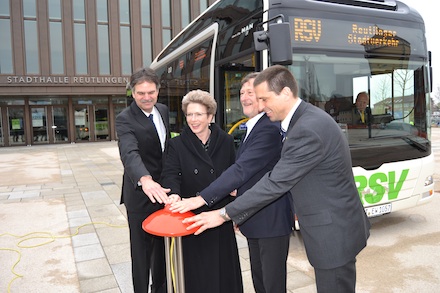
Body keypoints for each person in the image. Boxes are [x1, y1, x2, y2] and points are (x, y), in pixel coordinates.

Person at [182, 65, 371, 293]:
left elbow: (276, 182)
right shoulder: (303, 120)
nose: (261, 105)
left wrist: (223, 214)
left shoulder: (307, 129)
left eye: (264, 99)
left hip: (333, 234)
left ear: (285, 93)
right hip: (333, 227)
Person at [170, 73, 293, 293]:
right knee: (261, 282)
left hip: (269, 219)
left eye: (251, 93)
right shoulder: (252, 127)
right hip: (254, 217)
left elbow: (240, 169)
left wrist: (200, 199)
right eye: (242, 92)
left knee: (271, 285)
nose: (245, 98)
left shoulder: (267, 128)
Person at [161, 89, 243, 293]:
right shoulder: (176, 144)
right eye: (189, 114)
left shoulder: (225, 140)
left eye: (198, 114)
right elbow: (171, 173)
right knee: (198, 273)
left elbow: (234, 172)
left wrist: (236, 205)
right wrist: (174, 194)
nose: (193, 119)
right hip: (193, 216)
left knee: (222, 270)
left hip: (218, 215)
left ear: (210, 117)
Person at [116, 67, 170, 293]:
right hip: (140, 195)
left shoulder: (163, 110)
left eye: (151, 92)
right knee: (141, 253)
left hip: (164, 193)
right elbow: (130, 153)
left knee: (162, 250)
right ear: (132, 93)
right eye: (141, 93)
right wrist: (145, 179)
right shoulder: (125, 119)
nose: (146, 97)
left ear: (158, 90)